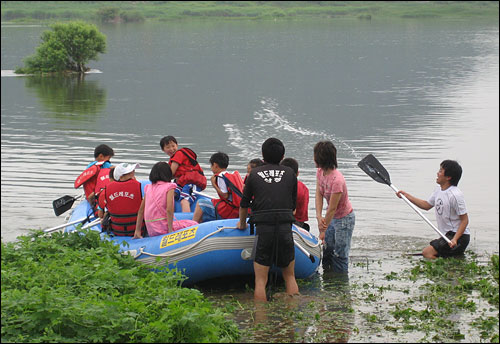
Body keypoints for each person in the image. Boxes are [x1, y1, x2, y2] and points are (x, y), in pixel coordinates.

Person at [237, 138, 299, 302]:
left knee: (260, 281)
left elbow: (244, 204)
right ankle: (293, 321)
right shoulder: (291, 173)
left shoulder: (254, 174)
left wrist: (242, 224)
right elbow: (293, 206)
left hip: (264, 229)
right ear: (283, 155)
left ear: (262, 156)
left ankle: (261, 321)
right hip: (285, 228)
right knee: (290, 276)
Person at [396, 160, 470, 259]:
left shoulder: (456, 195)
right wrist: (406, 196)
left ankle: (447, 269)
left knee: (427, 253)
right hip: (446, 235)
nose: (437, 173)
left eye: (440, 171)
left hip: (459, 236)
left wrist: (455, 239)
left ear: (448, 177)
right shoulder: (438, 189)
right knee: (433, 253)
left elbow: (464, 220)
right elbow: (426, 205)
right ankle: (454, 259)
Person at [314, 141, 355, 274]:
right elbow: (318, 193)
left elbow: (332, 208)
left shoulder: (337, 180)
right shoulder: (320, 172)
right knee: (327, 249)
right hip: (330, 217)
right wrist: (319, 216)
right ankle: (327, 276)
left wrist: (323, 228)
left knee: (340, 253)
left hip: (344, 219)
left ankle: (340, 284)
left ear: (321, 158)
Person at [133, 162, 198, 239]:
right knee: (193, 224)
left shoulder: (148, 187)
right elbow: (169, 209)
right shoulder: (169, 186)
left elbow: (141, 210)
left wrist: (137, 231)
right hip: (163, 229)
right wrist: (170, 230)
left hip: (151, 230)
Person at [193, 152, 244, 223]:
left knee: (200, 203)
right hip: (236, 209)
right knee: (213, 202)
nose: (211, 168)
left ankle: (193, 225)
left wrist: (214, 185)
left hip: (229, 211)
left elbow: (225, 195)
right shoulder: (229, 175)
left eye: (211, 165)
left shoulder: (220, 177)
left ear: (215, 165)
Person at [160, 136, 207, 212]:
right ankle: (168, 214)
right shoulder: (173, 158)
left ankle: (187, 222)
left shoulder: (179, 154)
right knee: (171, 194)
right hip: (183, 182)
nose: (171, 149)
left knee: (184, 201)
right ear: (163, 149)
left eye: (173, 146)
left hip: (192, 183)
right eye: (168, 147)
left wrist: (160, 180)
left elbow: (171, 172)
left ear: (177, 145)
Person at [103, 162, 146, 237]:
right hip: (138, 231)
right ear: (121, 177)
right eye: (129, 173)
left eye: (132, 172)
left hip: (117, 231)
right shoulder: (139, 186)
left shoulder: (107, 188)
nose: (132, 174)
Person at [74, 144, 114, 209]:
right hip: (97, 193)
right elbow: (113, 168)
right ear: (101, 156)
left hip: (91, 193)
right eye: (109, 158)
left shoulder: (90, 166)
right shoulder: (104, 164)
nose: (109, 160)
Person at [280, 158, 310, 231]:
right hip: (300, 222)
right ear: (297, 173)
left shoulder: (283, 188)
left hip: (291, 222)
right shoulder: (304, 188)